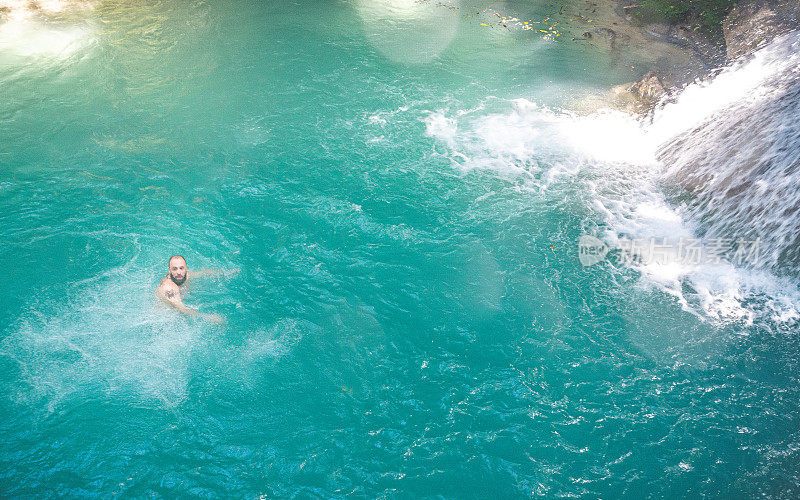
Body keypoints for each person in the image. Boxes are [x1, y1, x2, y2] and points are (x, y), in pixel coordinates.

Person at [155, 254, 224, 323]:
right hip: (164, 316)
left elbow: (203, 273)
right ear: (169, 270)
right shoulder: (169, 288)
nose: (179, 272)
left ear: (186, 268)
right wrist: (207, 317)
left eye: (181, 268)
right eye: (174, 269)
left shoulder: (185, 276)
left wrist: (226, 273)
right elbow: (182, 309)